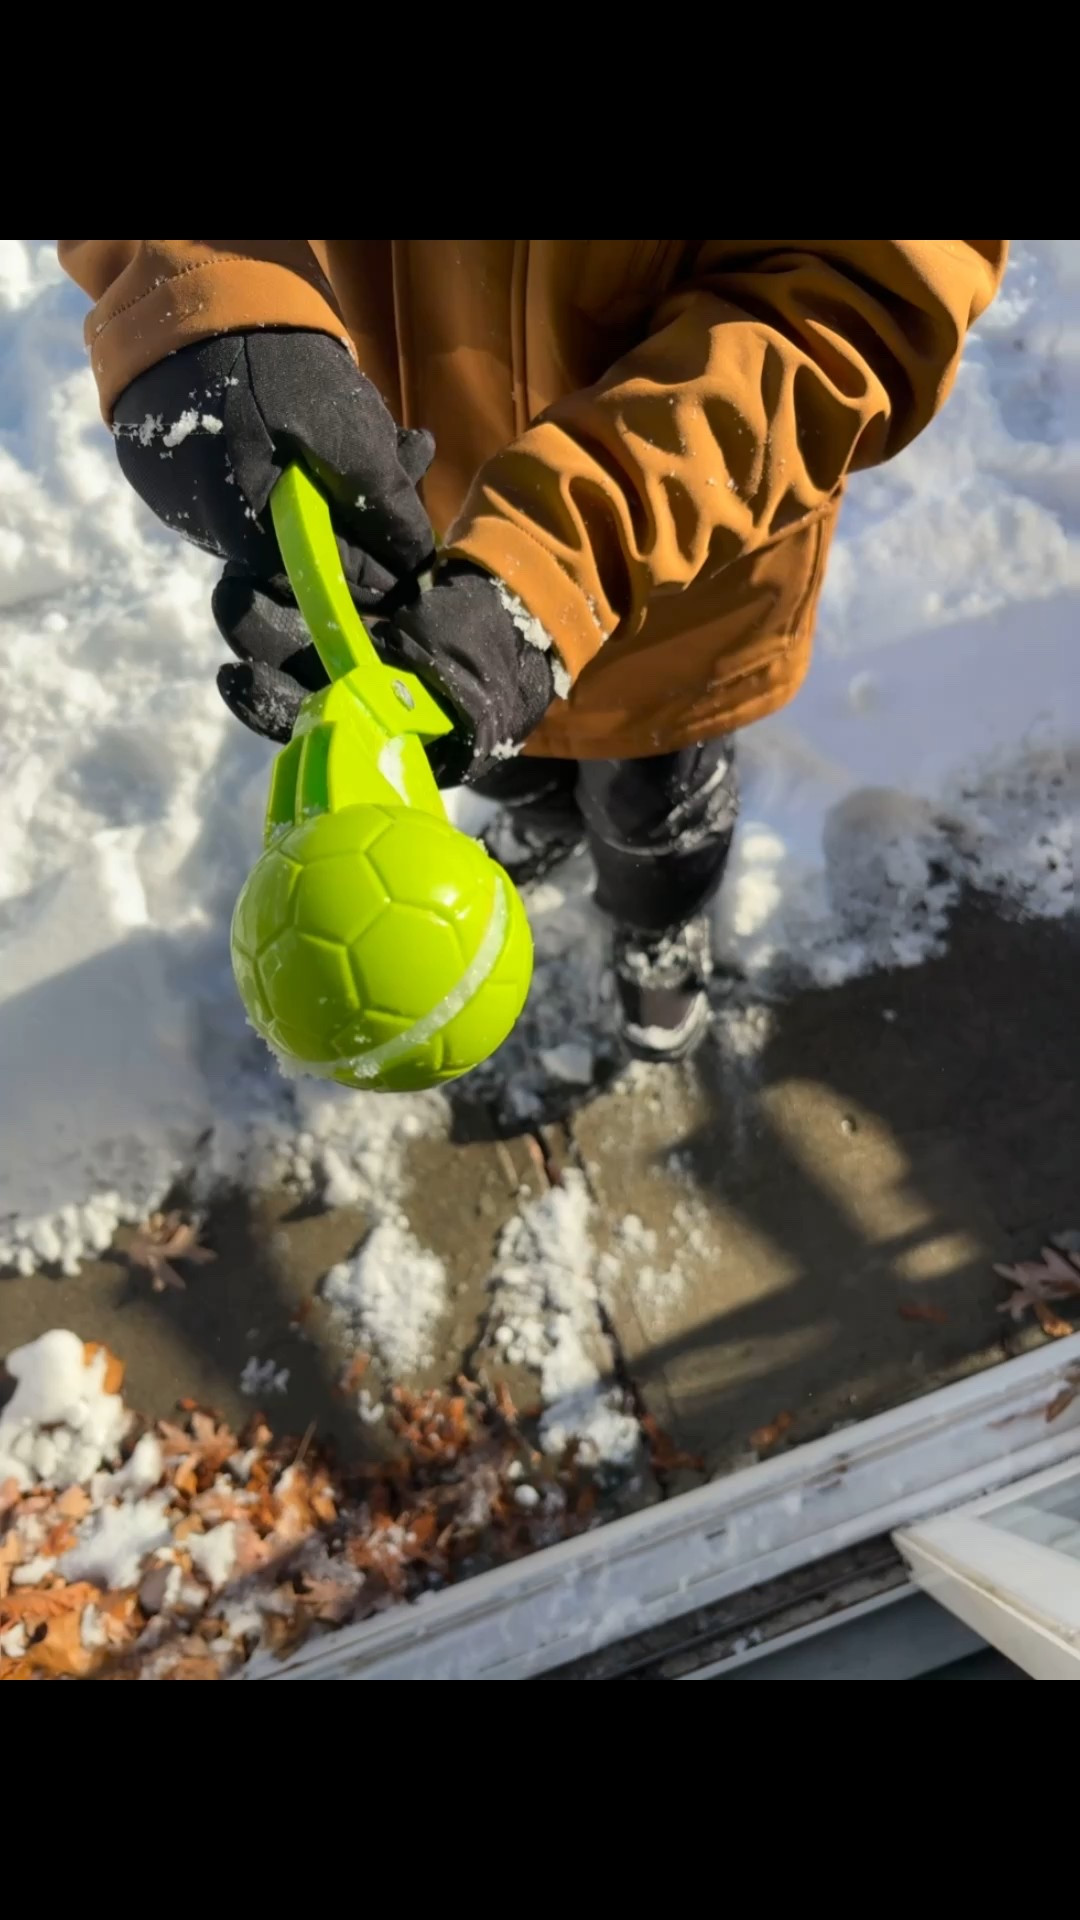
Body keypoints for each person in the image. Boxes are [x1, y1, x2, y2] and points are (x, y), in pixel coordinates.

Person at [59, 240, 1007, 1061]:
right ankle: (546, 822)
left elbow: (866, 297)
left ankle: (655, 925)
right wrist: (209, 290)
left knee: (654, 802)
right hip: (415, 508)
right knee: (492, 755)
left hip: (678, 562)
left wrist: (553, 563)